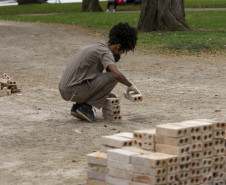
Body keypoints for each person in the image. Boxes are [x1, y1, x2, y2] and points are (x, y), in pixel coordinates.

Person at [59, 22, 140, 122]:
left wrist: (105, 93)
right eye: (121, 52)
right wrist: (130, 86)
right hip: (74, 91)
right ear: (117, 46)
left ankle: (78, 107)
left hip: (65, 90)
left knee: (106, 76)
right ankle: (86, 108)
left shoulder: (95, 47)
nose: (120, 55)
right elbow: (116, 75)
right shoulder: (106, 52)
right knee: (113, 77)